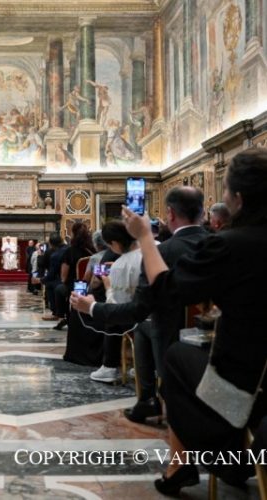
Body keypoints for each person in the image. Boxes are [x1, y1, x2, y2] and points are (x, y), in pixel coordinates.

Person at [121, 148, 267, 494]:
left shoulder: (231, 245)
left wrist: (145, 237)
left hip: (243, 390)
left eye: (225, 190)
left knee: (175, 356)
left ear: (239, 198)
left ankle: (192, 461)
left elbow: (168, 290)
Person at [71, 187, 208, 420]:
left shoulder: (158, 252)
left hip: (172, 337)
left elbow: (137, 309)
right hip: (218, 339)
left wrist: (92, 307)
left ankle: (147, 397)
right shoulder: (220, 243)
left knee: (143, 325)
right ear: (203, 213)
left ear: (170, 214)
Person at [88, 221, 142, 383]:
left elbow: (116, 305)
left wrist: (108, 286)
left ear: (115, 244)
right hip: (160, 314)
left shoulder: (118, 265)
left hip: (137, 318)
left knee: (111, 318)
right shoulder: (155, 249)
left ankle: (109, 366)